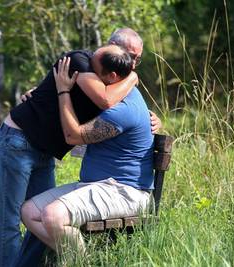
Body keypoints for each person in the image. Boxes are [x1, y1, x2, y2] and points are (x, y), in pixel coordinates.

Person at [0, 28, 160, 267]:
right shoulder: (82, 61)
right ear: (111, 48)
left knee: (37, 214)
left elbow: (121, 111)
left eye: (136, 60)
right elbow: (104, 101)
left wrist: (151, 117)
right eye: (129, 57)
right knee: (10, 220)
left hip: (46, 153)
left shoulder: (115, 85)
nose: (132, 64)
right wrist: (52, 91)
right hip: (18, 143)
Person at [21, 51, 154, 255]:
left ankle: (78, 261)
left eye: (92, 69)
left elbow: (73, 136)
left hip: (125, 192)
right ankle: (79, 257)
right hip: (98, 186)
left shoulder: (121, 110)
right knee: (29, 212)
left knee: (53, 216)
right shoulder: (109, 97)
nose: (86, 72)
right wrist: (39, 95)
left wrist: (63, 91)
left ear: (112, 77)